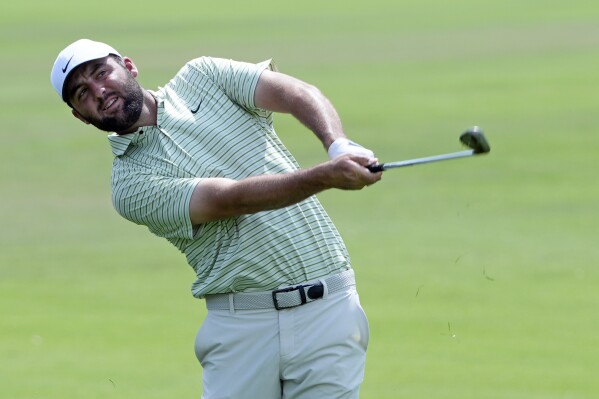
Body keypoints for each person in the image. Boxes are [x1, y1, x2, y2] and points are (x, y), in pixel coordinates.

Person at [51, 38, 382, 398]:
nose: (98, 91)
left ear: (129, 66)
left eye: (101, 73)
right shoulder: (129, 186)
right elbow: (229, 199)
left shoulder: (203, 74)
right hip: (243, 329)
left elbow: (294, 92)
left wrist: (338, 145)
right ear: (79, 115)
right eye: (82, 93)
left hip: (330, 311)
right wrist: (324, 176)